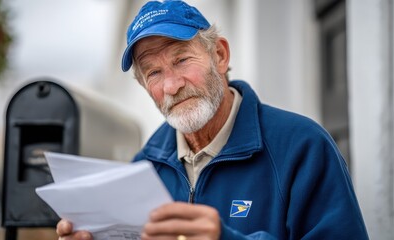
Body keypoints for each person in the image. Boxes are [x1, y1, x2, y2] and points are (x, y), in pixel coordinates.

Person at [56, 0, 369, 239]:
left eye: (181, 60)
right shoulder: (145, 166)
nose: (172, 85)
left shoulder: (303, 146)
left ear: (219, 55)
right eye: (154, 72)